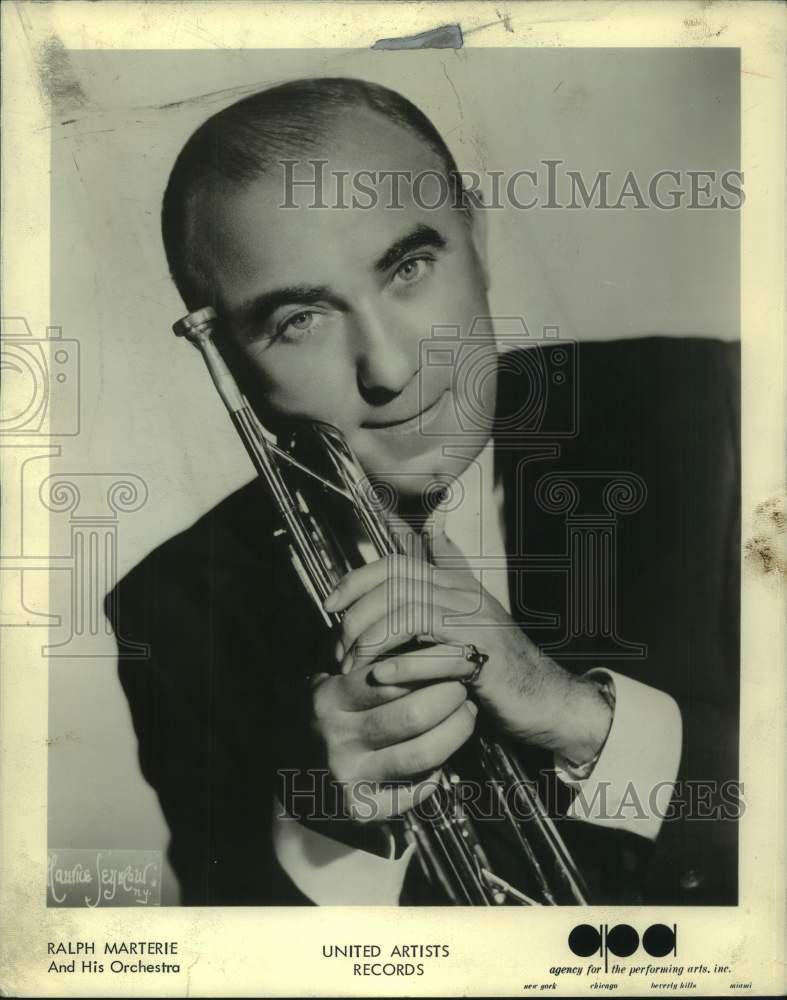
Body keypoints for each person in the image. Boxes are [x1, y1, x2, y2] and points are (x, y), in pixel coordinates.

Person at [107, 77, 740, 906]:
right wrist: (329, 828)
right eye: (299, 319)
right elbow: (230, 949)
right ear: (224, 358)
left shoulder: (721, 405)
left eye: (407, 267)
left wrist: (576, 716)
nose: (391, 369)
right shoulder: (176, 609)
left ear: (476, 240)